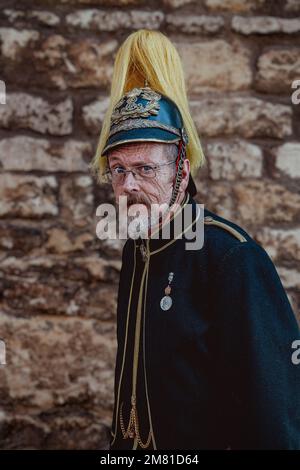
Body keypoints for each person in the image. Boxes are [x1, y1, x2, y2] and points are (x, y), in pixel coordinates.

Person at [91, 29, 300, 450]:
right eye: (118, 169)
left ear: (181, 172)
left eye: (146, 169)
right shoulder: (139, 248)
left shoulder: (231, 256)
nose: (129, 185)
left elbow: (276, 412)